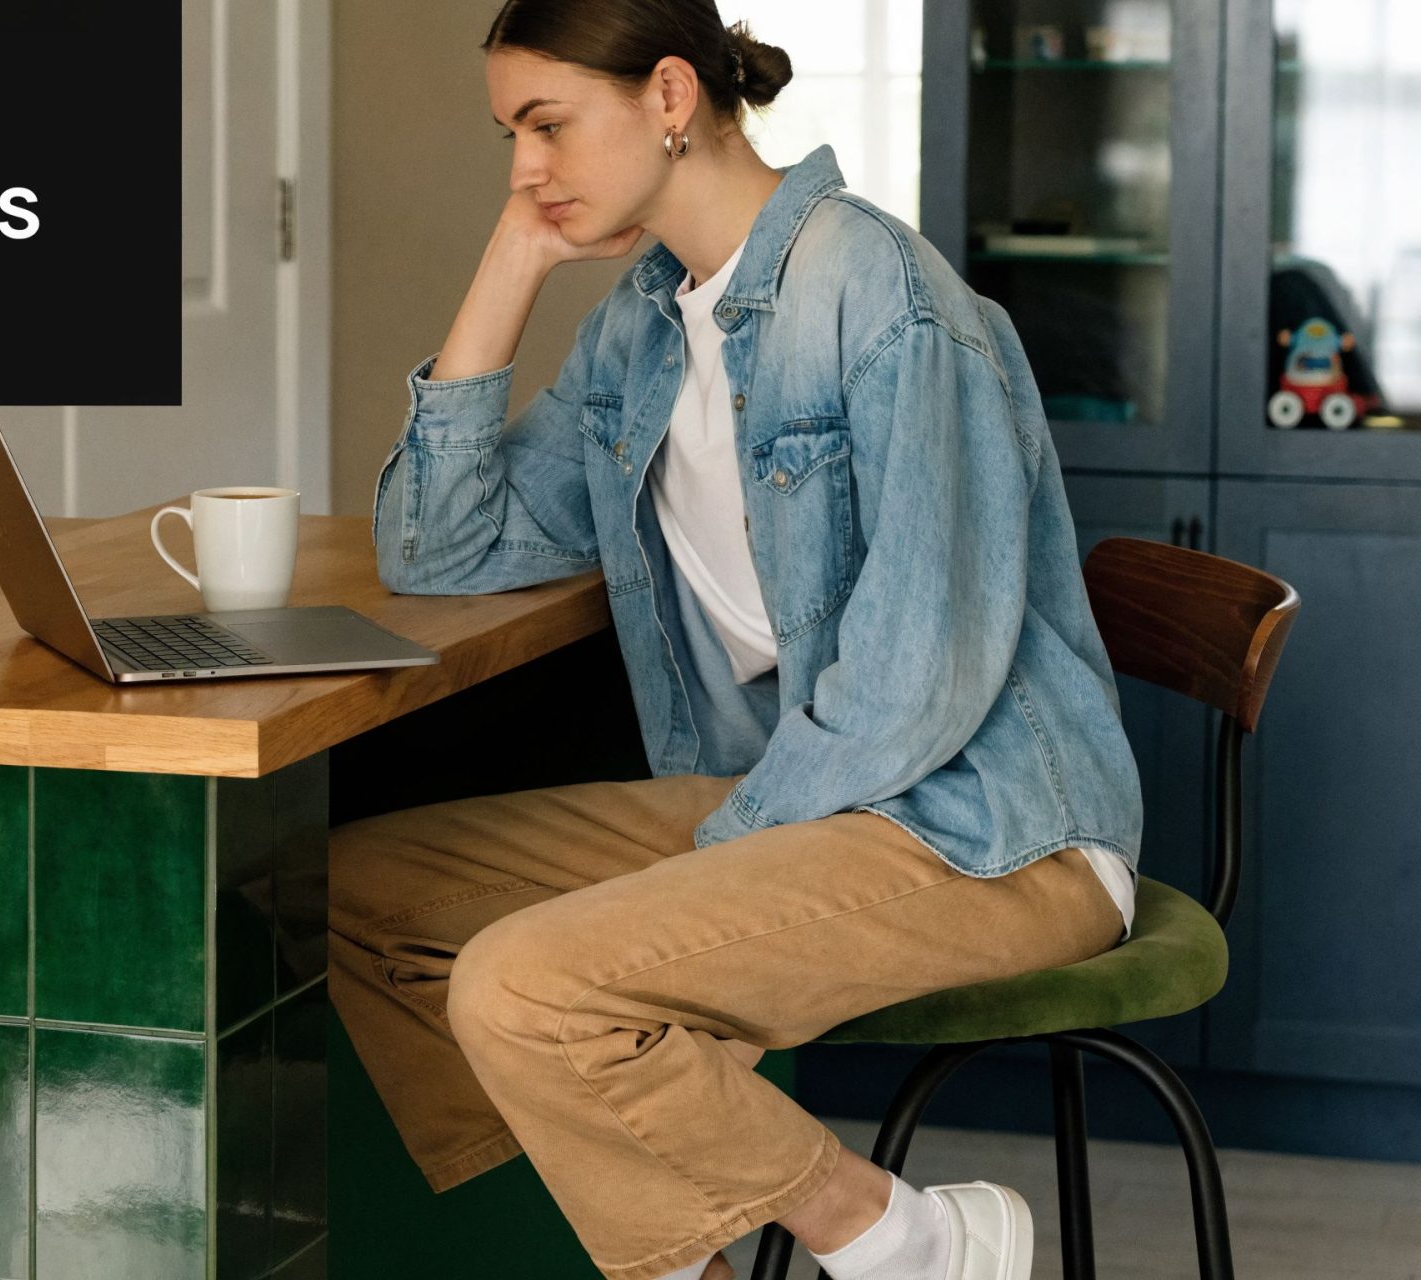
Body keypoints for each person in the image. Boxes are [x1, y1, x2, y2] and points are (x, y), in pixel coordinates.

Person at [331, 3, 1147, 1279]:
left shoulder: (879, 292)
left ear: (668, 96)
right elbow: (440, 548)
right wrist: (510, 259)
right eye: (507, 136)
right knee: (348, 894)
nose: (523, 167)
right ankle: (694, 1257)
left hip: (989, 831)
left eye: (546, 126)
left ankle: (902, 1235)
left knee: (523, 984)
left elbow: (914, 679)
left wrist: (700, 871)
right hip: (798, 802)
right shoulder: (645, 323)